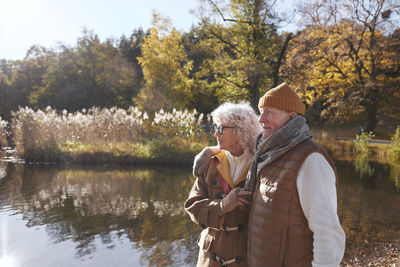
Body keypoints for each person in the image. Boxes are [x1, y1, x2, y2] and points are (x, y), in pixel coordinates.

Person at [193, 83, 346, 267]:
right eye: (261, 111)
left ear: (292, 116)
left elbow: (327, 232)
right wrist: (209, 152)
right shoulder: (266, 156)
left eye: (270, 112)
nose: (261, 119)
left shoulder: (311, 159)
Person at [184, 102, 262, 267]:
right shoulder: (210, 162)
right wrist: (223, 206)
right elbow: (193, 207)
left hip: (245, 259)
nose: (216, 133)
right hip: (210, 259)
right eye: (216, 127)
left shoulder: (261, 166)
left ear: (239, 131)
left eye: (221, 128)